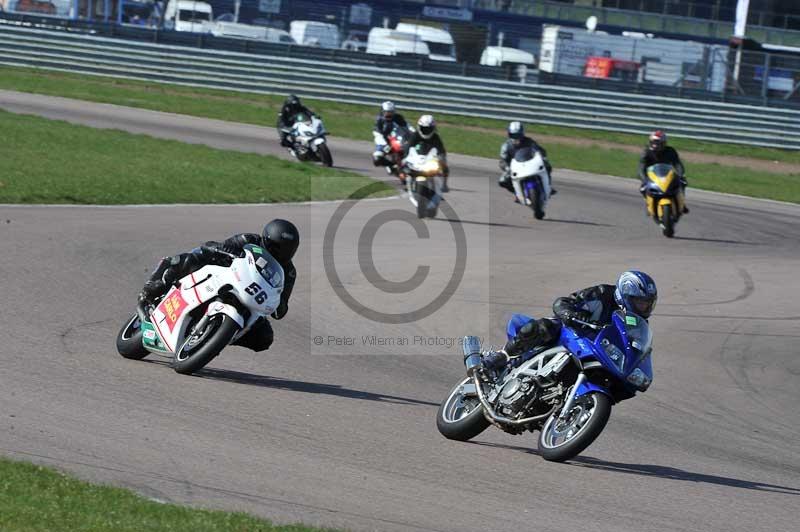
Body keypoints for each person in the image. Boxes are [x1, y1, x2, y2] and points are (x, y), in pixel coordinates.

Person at [138, 219, 299, 352]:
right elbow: (213, 246)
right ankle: (155, 283)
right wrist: (224, 250)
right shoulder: (249, 240)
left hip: (250, 299)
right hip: (223, 275)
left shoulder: (289, 271)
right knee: (190, 259)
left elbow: (281, 306)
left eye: (288, 250)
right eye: (278, 248)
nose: (281, 254)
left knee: (264, 338)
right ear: (267, 240)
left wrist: (280, 305)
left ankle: (218, 336)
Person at [482, 271, 657, 371]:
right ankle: (503, 355)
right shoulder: (602, 294)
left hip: (598, 352)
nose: (643, 308)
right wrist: (571, 315)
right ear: (624, 295)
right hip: (572, 334)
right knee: (544, 327)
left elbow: (634, 348)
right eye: (640, 302)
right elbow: (564, 302)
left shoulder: (637, 323)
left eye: (647, 304)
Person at [498, 121, 555, 200]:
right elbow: (502, 161)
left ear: (522, 134)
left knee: (547, 166)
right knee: (502, 181)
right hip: (515, 169)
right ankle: (517, 193)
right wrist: (507, 168)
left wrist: (541, 155)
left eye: (518, 135)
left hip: (530, 164)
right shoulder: (506, 146)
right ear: (509, 134)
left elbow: (540, 150)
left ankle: (547, 186)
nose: (516, 137)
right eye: (513, 135)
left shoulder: (529, 142)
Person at [638, 130, 688, 214]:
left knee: (682, 183)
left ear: (663, 143)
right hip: (652, 176)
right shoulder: (646, 152)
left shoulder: (670, 151)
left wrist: (681, 175)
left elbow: (677, 164)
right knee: (643, 189)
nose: (655, 145)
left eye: (658, 143)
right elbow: (641, 167)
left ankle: (682, 204)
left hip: (668, 174)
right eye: (653, 142)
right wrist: (644, 179)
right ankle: (649, 204)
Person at [403, 114, 450, 192]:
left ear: (433, 129)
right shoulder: (415, 135)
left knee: (444, 165)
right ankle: (407, 183)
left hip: (429, 158)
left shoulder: (435, 137)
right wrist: (405, 157)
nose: (426, 131)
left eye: (428, 129)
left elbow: (441, 150)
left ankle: (444, 184)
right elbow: (408, 147)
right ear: (419, 127)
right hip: (417, 157)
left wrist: (441, 158)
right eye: (424, 129)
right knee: (404, 166)